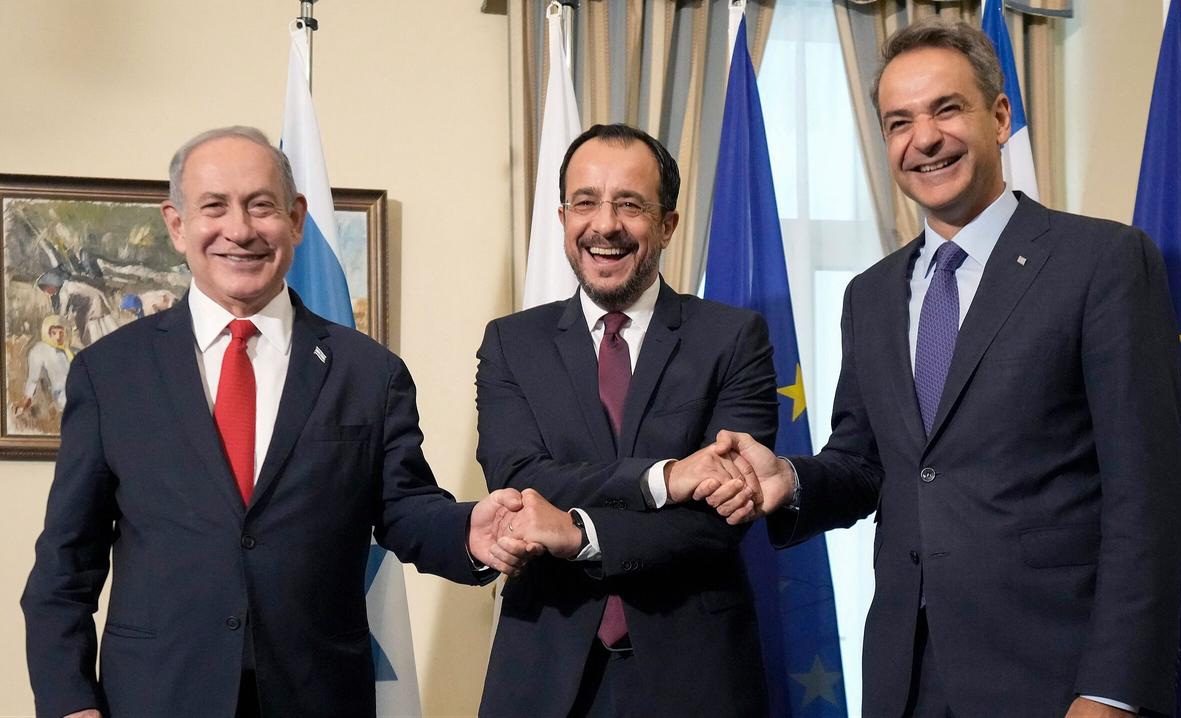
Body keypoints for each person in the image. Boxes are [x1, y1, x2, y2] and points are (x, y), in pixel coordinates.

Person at [703, 20, 1181, 718]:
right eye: (898, 122)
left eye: (945, 109)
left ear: (998, 117)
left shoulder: (1103, 263)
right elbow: (866, 464)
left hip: (1055, 678)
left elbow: (1149, 500)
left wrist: (1112, 690)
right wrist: (790, 479)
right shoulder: (868, 295)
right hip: (906, 678)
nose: (922, 138)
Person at [22, 126, 539, 718]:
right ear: (176, 224)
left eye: (261, 206)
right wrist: (68, 704)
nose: (239, 230)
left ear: (295, 219)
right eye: (214, 207)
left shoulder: (368, 373)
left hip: (316, 694)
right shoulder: (109, 374)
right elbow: (66, 563)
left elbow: (406, 509)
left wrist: (469, 530)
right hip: (157, 696)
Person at [476, 123, 777, 717]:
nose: (605, 225)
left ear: (667, 224)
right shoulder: (512, 343)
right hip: (545, 669)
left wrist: (581, 534)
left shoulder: (732, 339)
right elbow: (520, 484)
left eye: (630, 205)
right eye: (584, 202)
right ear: (562, 218)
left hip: (696, 671)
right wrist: (664, 479)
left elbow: (722, 517)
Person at [16, 315, 74, 414]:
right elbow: (33, 378)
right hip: (62, 395)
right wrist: (27, 397)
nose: (58, 336)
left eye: (61, 332)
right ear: (48, 333)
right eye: (54, 333)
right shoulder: (40, 350)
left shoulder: (69, 351)